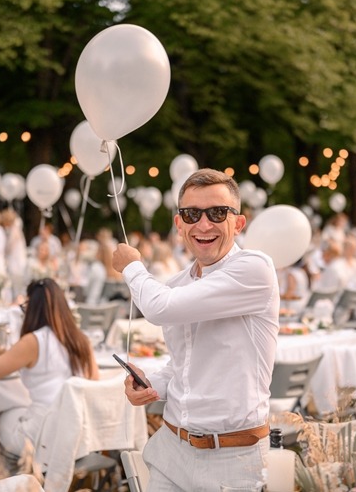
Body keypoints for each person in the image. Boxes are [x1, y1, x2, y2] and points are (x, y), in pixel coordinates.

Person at [112, 169, 279, 489]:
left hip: (233, 459)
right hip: (172, 450)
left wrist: (132, 264)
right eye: (191, 214)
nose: (204, 225)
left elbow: (158, 309)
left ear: (239, 223)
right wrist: (150, 384)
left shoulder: (254, 268)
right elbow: (182, 364)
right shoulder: (178, 285)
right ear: (179, 225)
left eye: (217, 213)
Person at [0, 278, 99, 457]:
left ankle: (6, 478)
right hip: (77, 436)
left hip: (45, 436)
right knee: (17, 410)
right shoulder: (81, 340)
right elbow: (93, 385)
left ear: (32, 308)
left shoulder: (33, 341)